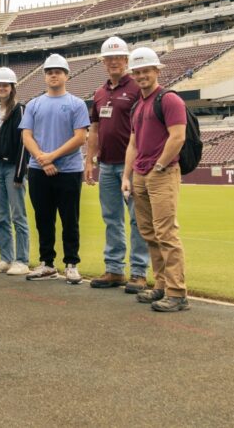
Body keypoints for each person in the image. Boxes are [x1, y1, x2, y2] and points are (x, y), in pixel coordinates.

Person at [121, 47, 190, 312]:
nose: (141, 76)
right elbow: (133, 144)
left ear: (157, 71)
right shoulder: (138, 105)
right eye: (137, 72)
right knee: (149, 234)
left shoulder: (169, 99)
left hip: (162, 172)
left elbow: (178, 137)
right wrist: (127, 176)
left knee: (166, 233)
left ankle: (177, 292)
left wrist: (160, 166)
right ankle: (161, 285)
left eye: (145, 71)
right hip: (140, 173)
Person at [85, 37, 149, 293]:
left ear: (126, 60)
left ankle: (139, 272)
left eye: (118, 58)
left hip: (132, 167)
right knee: (111, 218)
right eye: (109, 58)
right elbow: (95, 129)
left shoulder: (136, 88)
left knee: (137, 219)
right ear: (103, 63)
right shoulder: (100, 93)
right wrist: (89, 160)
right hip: (107, 165)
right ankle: (114, 269)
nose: (113, 62)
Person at [20, 54, 90, 284]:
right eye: (49, 71)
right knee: (43, 219)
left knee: (70, 219)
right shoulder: (34, 104)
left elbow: (80, 137)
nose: (53, 75)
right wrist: (42, 158)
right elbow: (26, 135)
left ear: (66, 75)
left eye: (58, 71)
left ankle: (71, 263)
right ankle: (47, 263)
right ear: (44, 76)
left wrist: (51, 156)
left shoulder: (76, 104)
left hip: (69, 170)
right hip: (39, 170)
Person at [0, 67, 31, 276]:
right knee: (2, 216)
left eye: (5, 85)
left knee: (18, 215)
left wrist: (20, 173)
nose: (1, 88)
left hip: (12, 168)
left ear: (12, 87)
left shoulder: (20, 110)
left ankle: (22, 260)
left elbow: (24, 144)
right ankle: (5, 258)